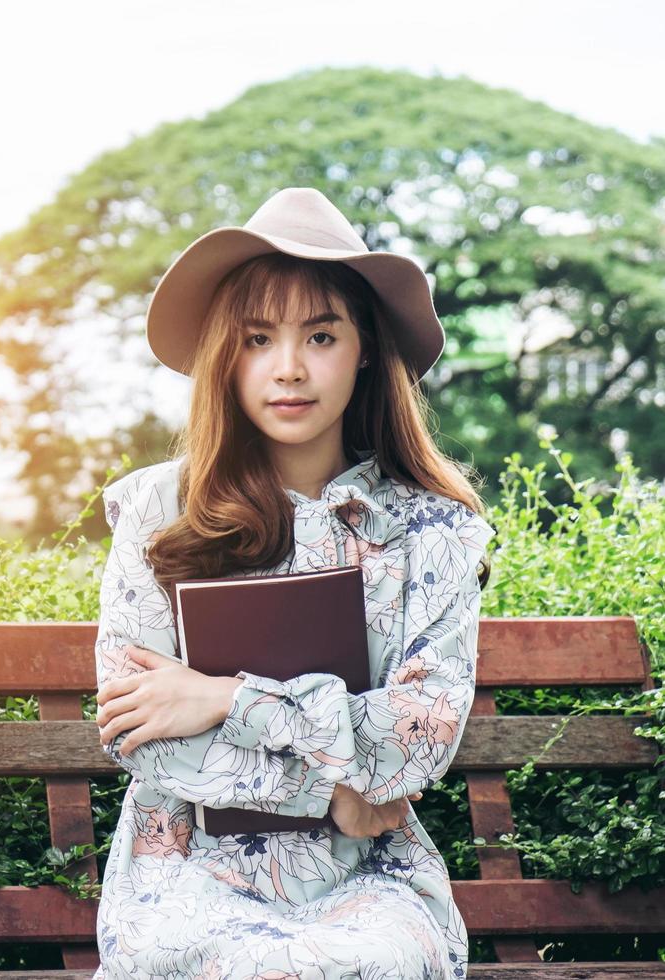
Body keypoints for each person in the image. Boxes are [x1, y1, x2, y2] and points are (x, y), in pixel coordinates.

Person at [90, 187, 495, 980]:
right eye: (258, 338)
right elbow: (140, 736)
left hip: (370, 880)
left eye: (320, 334)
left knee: (366, 963)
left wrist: (224, 699)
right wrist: (338, 792)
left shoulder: (433, 531)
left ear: (365, 347)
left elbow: (422, 732)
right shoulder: (155, 513)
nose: (289, 368)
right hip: (185, 872)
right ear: (225, 356)